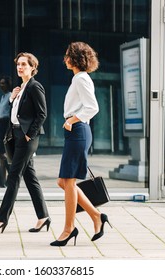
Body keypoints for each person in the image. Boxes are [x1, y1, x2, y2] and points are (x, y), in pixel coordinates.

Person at [50, 42, 111, 246]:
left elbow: (92, 107)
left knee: (68, 182)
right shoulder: (78, 78)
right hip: (75, 133)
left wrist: (71, 120)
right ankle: (96, 216)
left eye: (67, 55)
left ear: (74, 58)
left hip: (78, 131)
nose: (65, 59)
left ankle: (69, 229)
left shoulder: (81, 79)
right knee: (63, 182)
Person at [0, 52, 51, 233]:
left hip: (26, 138)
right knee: (30, 178)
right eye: (18, 64)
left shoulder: (35, 87)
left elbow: (42, 114)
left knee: (13, 177)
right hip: (15, 135)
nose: (20, 67)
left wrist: (30, 134)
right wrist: (13, 99)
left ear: (32, 68)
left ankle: (1, 219)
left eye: (24, 64)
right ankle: (43, 217)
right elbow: (18, 115)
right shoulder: (21, 88)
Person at [0, 76, 12, 182]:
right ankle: (2, 181)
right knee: (1, 153)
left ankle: (11, 175)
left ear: (8, 84)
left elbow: (10, 112)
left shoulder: (11, 96)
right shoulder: (3, 97)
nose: (1, 85)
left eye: (3, 83)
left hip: (6, 124)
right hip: (0, 123)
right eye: (0, 83)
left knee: (2, 152)